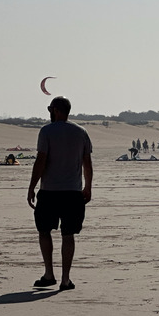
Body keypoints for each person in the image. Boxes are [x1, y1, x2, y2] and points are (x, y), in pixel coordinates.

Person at [27, 96, 93, 291]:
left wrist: (32, 186)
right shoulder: (81, 132)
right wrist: (88, 186)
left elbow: (41, 161)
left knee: (44, 231)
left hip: (50, 191)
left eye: (50, 108)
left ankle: (49, 273)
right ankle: (65, 278)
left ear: (55, 110)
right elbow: (87, 164)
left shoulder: (46, 131)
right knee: (68, 234)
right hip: (72, 192)